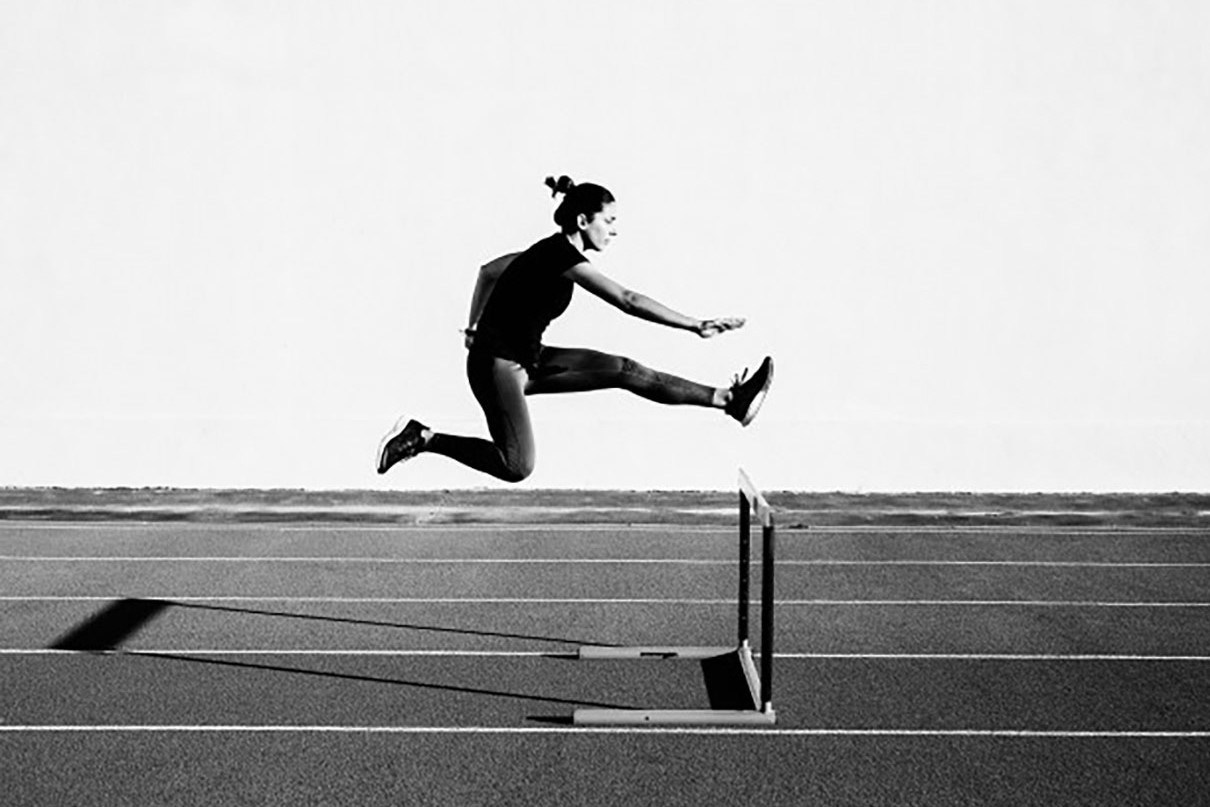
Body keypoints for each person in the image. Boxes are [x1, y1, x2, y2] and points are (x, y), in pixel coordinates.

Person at [376, 175, 773, 483]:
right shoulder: (558, 255)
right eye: (610, 221)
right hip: (496, 367)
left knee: (624, 369)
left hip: (527, 360)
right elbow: (627, 299)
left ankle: (729, 399)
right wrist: (695, 325)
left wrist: (473, 324)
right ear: (584, 221)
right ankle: (424, 437)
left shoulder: (545, 252)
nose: (614, 231)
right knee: (517, 466)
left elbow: (489, 271)